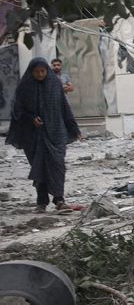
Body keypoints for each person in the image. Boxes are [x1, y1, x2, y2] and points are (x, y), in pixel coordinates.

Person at [6, 58, 82, 212]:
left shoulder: (55, 85)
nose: (40, 74)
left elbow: (64, 107)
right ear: (31, 72)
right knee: (39, 166)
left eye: (43, 71)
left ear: (47, 71)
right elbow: (17, 111)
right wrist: (31, 118)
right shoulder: (24, 87)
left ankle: (59, 200)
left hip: (55, 133)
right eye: (36, 72)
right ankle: (41, 201)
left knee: (57, 166)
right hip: (33, 136)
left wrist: (74, 129)